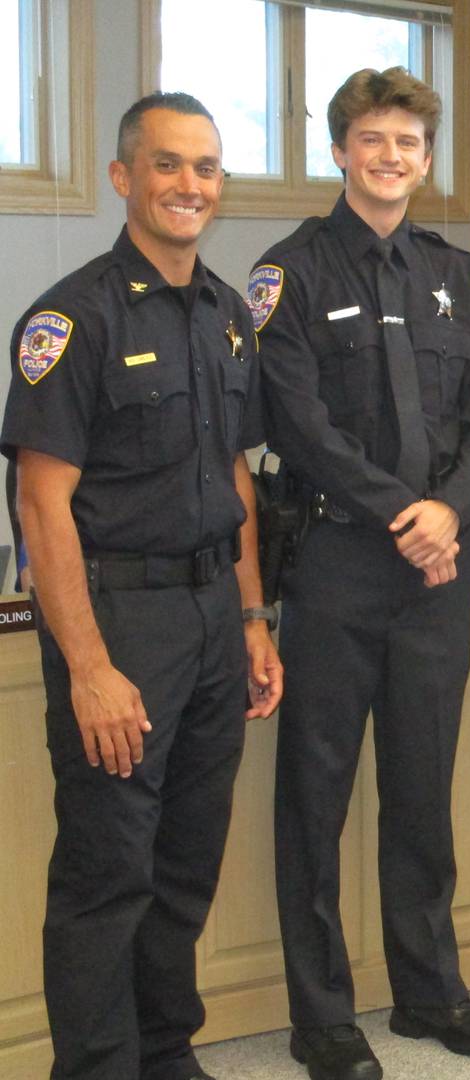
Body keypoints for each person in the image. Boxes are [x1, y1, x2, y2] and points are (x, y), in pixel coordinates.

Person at [2, 92, 282, 1080]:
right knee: (107, 869)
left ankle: (165, 1054)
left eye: (205, 167)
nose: (190, 185)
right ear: (124, 177)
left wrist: (251, 615)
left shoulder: (227, 316)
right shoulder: (71, 320)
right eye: (167, 165)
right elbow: (41, 509)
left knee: (183, 863)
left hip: (213, 612)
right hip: (120, 621)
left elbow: (238, 474)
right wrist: (87, 669)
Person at [252, 68, 470, 1079]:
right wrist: (402, 512)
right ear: (340, 150)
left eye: (408, 143)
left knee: (421, 791)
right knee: (315, 800)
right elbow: (297, 421)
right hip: (338, 569)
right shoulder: (291, 273)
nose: (391, 157)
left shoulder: (459, 275)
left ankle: (429, 990)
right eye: (373, 140)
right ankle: (321, 1015)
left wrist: (450, 508)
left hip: (437, 573)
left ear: (426, 157)